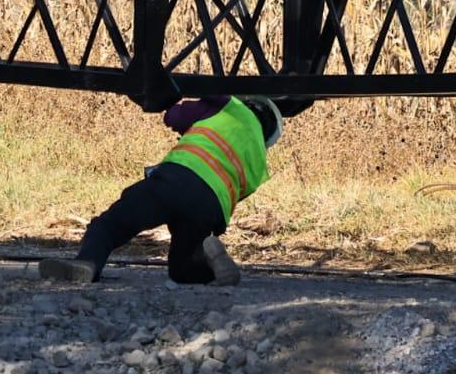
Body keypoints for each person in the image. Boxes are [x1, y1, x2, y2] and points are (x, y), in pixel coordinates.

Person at [39, 96, 283, 285]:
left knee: (111, 224)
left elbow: (176, 116)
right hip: (210, 209)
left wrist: (169, 104)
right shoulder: (260, 162)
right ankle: (209, 265)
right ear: (269, 138)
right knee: (181, 271)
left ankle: (87, 264)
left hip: (177, 178)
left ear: (251, 102)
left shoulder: (230, 106)